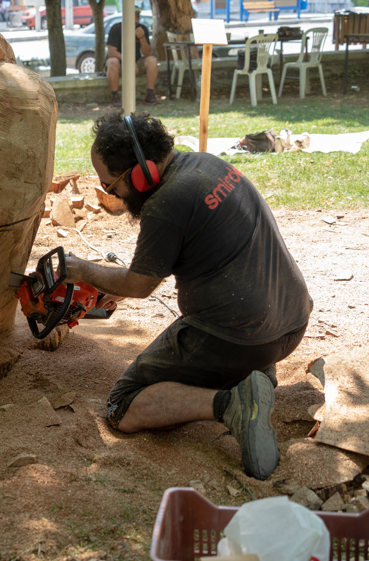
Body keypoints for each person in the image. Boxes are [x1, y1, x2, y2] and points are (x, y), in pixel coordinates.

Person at [65, 112, 312, 480]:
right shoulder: (209, 165)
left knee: (122, 404)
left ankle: (231, 404)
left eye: (111, 184)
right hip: (291, 322)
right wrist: (105, 286)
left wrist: (84, 271)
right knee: (233, 333)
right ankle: (254, 375)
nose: (110, 195)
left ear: (141, 174)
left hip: (240, 337)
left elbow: (139, 285)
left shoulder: (167, 203)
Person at [106, 8, 159, 107]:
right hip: (120, 62)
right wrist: (128, 61)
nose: (136, 20)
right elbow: (111, 52)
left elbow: (147, 53)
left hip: (136, 62)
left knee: (152, 60)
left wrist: (142, 38)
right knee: (113, 62)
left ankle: (150, 93)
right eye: (133, 17)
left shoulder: (142, 29)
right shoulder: (116, 28)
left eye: (137, 17)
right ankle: (115, 96)